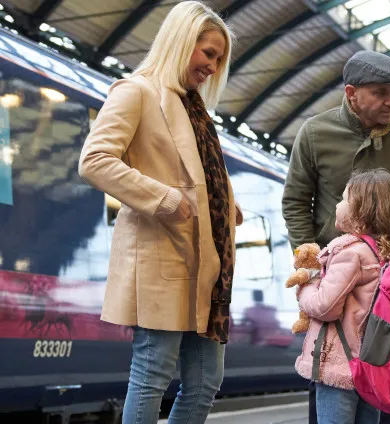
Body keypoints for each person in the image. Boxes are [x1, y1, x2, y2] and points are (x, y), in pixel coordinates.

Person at [78, 2, 241, 423]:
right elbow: (94, 160)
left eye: (219, 58)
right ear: (180, 41)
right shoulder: (137, 91)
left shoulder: (195, 109)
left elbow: (197, 172)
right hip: (162, 257)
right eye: (208, 53)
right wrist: (164, 198)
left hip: (207, 267)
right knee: (152, 374)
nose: (212, 65)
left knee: (206, 381)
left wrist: (225, 203)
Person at [281, 50, 390, 424]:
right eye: (382, 92)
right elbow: (296, 201)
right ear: (352, 93)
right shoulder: (315, 132)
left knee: (389, 368)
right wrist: (313, 264)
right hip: (335, 274)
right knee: (329, 361)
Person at [294, 168, 390, 424]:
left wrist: (306, 287)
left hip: (339, 368)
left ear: (361, 212)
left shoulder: (349, 252)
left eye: (344, 199)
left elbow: (325, 306)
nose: (337, 205)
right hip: (371, 368)